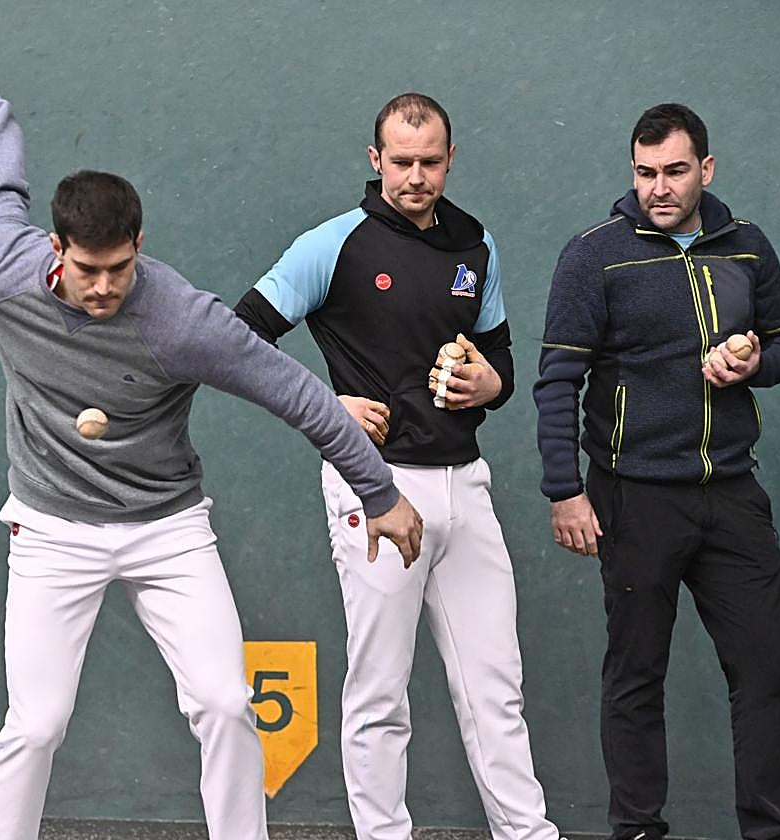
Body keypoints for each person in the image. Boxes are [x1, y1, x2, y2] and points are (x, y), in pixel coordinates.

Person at [0, 71, 424, 840]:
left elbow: (296, 394)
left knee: (227, 703)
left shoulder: (181, 320)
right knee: (35, 724)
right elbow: (0, 188)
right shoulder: (2, 271)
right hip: (52, 528)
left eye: (119, 269)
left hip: (167, 527)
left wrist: (380, 493)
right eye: (87, 270)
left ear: (141, 246)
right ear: (55, 248)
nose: (103, 288)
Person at [235, 93, 562, 840]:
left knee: (496, 686)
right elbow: (237, 339)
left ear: (451, 159)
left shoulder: (476, 245)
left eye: (431, 162)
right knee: (381, 690)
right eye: (402, 161)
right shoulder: (333, 244)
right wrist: (326, 404)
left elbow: (499, 353)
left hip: (465, 485)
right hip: (375, 487)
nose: (416, 176)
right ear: (375, 159)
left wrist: (493, 383)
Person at [533, 103, 780, 840]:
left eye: (675, 171)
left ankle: (774, 832)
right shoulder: (594, 255)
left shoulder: (746, 247)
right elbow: (558, 381)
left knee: (764, 673)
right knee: (635, 678)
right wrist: (565, 490)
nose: (660, 187)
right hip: (634, 499)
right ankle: (639, 831)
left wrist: (752, 362)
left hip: (734, 496)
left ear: (705, 170)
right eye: (646, 173)